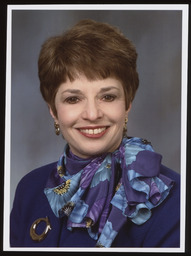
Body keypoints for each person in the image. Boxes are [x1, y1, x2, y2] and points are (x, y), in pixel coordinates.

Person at [10, 19, 180, 248]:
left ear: (127, 103)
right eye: (73, 99)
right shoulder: (30, 189)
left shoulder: (172, 198)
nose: (92, 114)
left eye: (107, 96)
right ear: (53, 110)